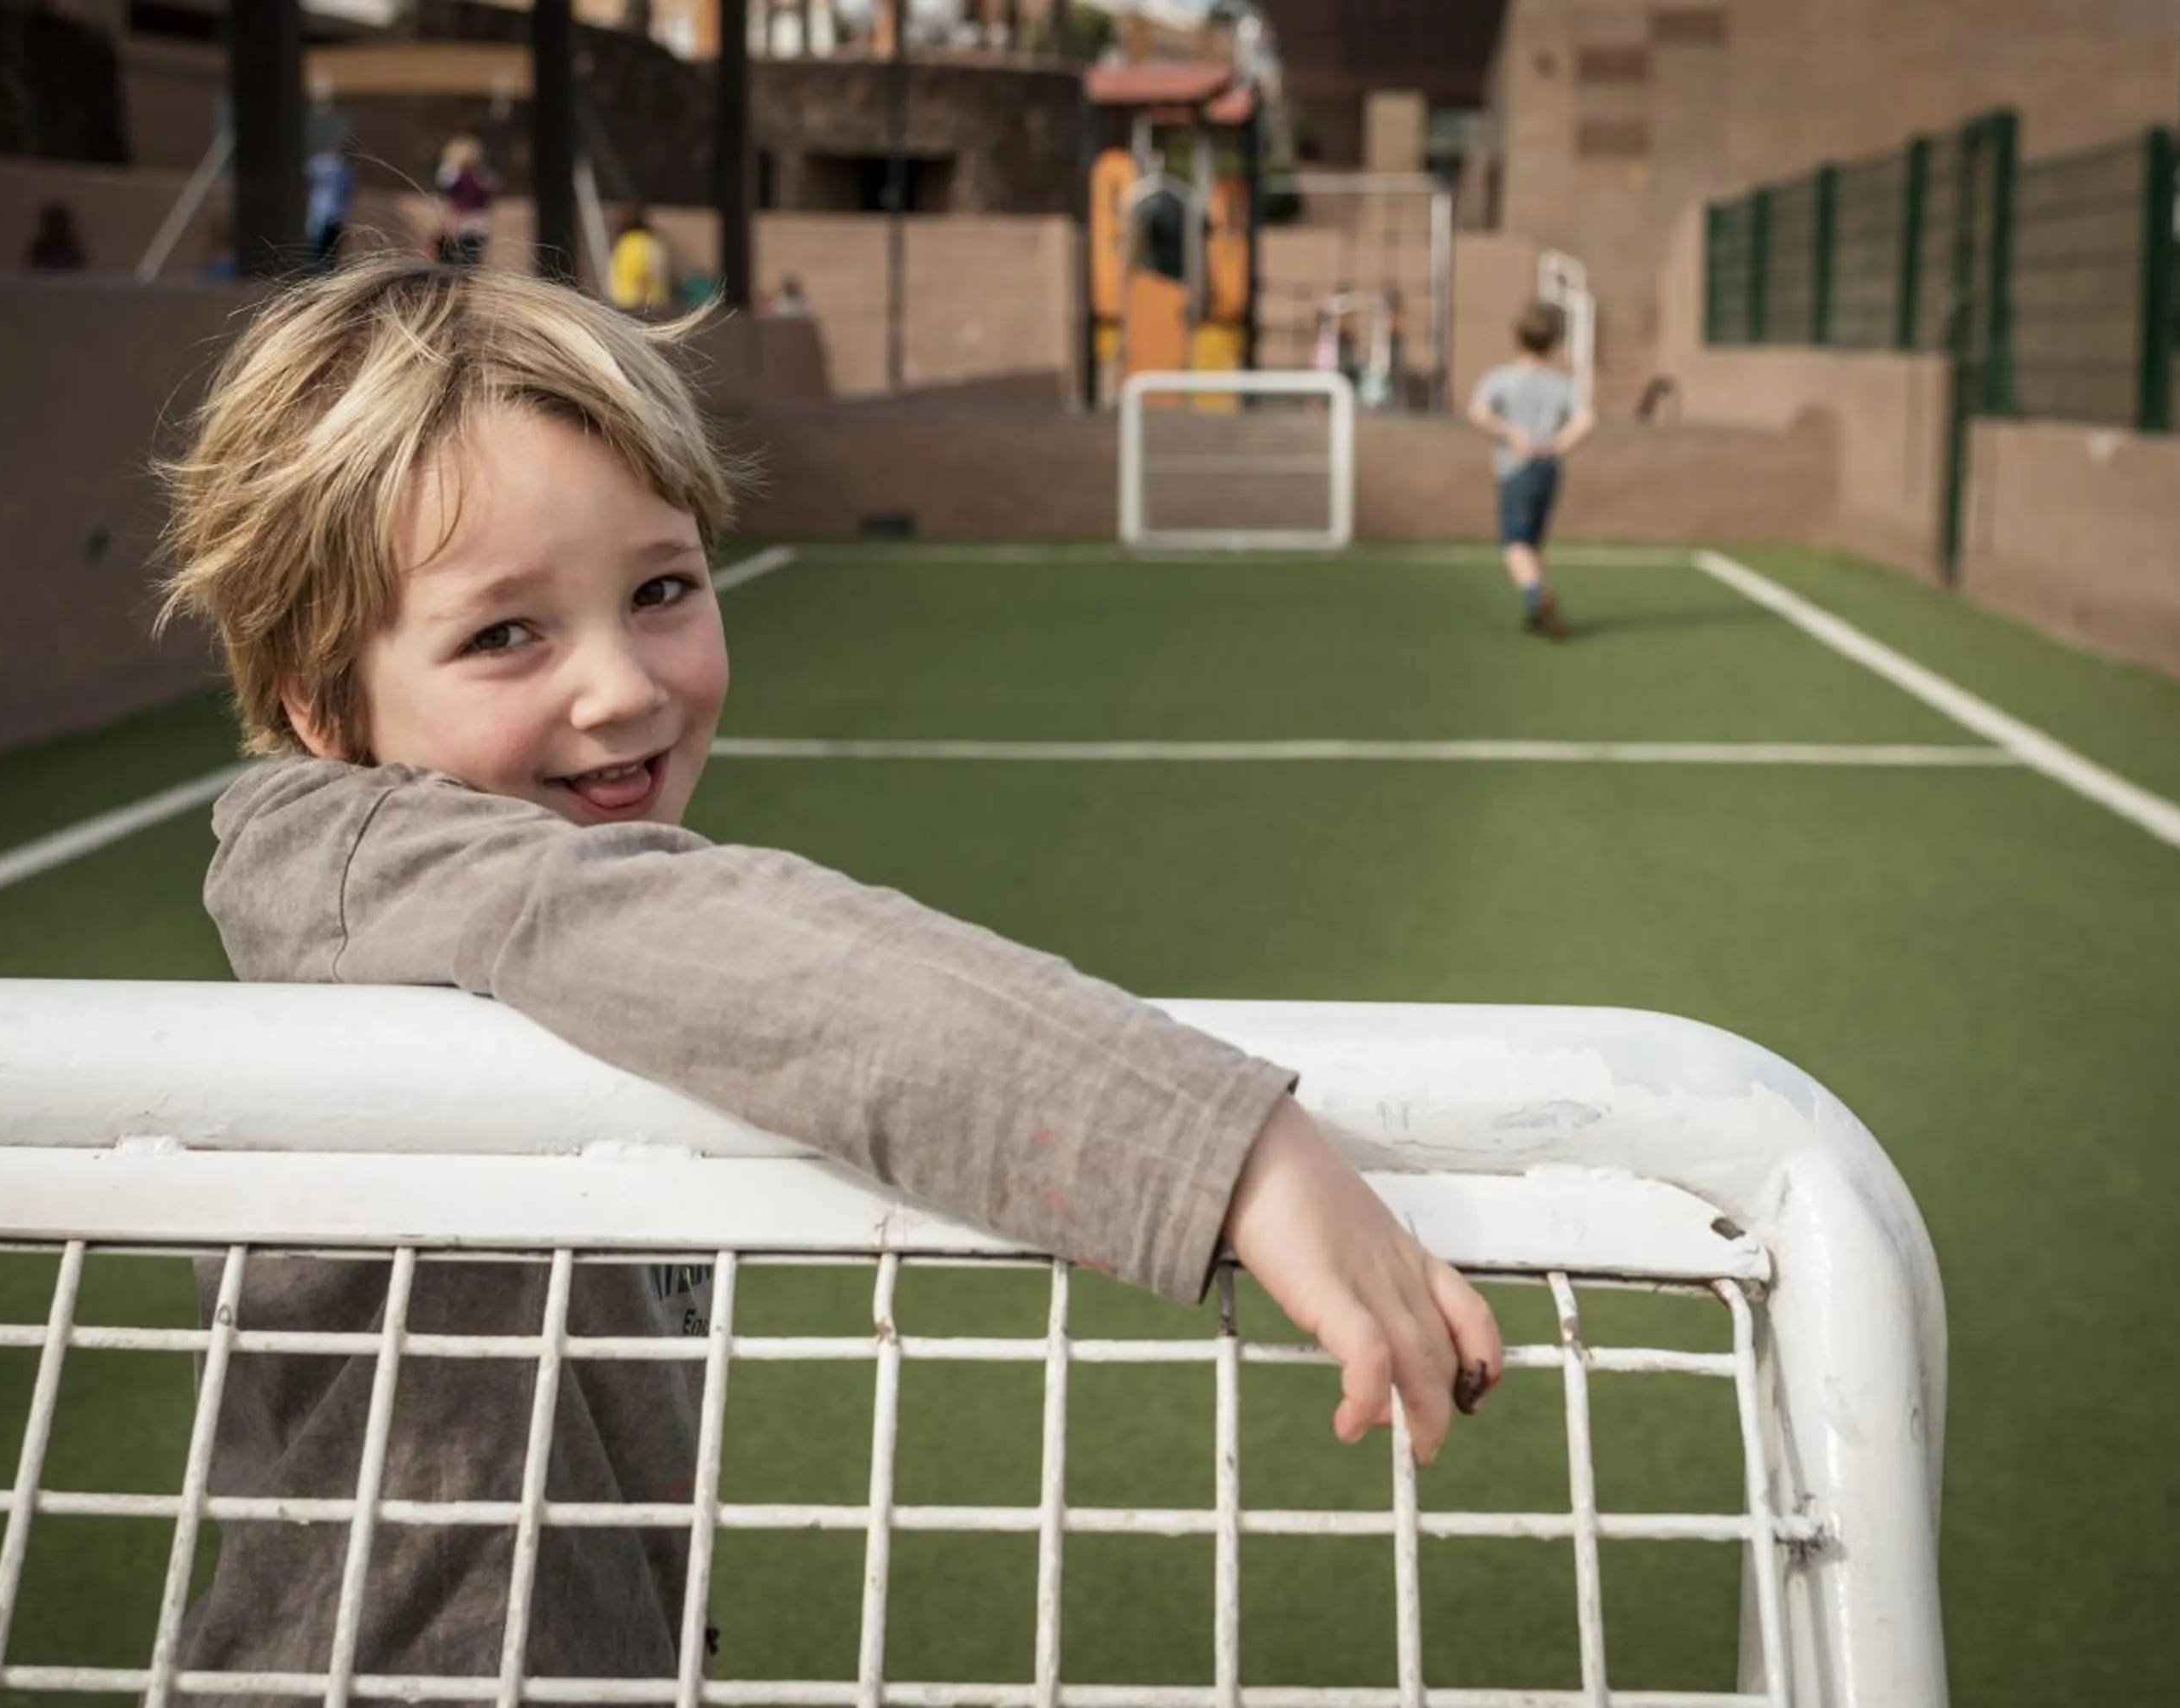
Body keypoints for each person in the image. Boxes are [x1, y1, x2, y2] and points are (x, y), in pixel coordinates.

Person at [154, 254, 1503, 1691]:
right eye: (504, 633)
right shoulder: (368, 858)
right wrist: (1235, 1152)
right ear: (315, 698)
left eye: (662, 588)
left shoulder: (489, 883)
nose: (623, 685)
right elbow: (774, 969)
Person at [1467, 299, 1596, 640]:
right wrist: (1557, 445)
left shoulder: (1502, 379)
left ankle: (1537, 594)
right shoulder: (1563, 384)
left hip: (1517, 469)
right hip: (1549, 469)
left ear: (1517, 338)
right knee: (1533, 544)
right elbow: (1585, 421)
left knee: (1514, 544)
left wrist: (1509, 433)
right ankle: (1538, 611)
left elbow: (1478, 413)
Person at [435, 134, 494, 266]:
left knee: (465, 264)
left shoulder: (478, 176)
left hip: (470, 226)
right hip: (463, 226)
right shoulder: (455, 175)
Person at [303, 127, 357, 273]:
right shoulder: (322, 164)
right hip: (320, 214)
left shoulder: (347, 171)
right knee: (317, 250)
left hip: (336, 216)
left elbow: (348, 194)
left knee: (331, 252)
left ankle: (325, 274)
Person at [607, 206, 672, 313]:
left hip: (632, 306)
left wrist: (639, 305)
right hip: (657, 303)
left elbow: (641, 275)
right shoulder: (653, 242)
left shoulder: (629, 244)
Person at [24, 201, 85, 272]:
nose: (57, 228)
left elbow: (79, 274)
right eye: (54, 225)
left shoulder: (74, 249)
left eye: (59, 225)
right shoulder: (38, 249)